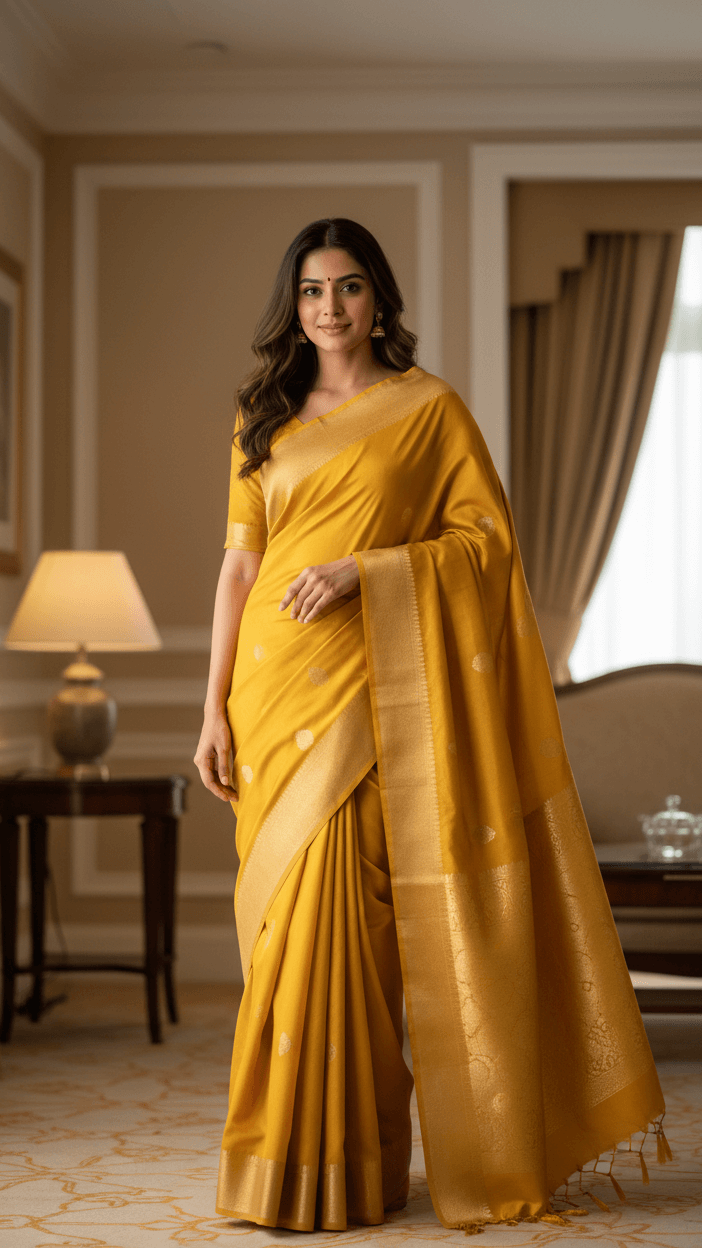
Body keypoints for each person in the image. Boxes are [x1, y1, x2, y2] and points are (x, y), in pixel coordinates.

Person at [195, 218, 669, 1234]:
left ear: (379, 299)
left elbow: (485, 545)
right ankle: (277, 1166)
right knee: (282, 934)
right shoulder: (260, 414)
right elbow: (239, 568)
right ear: (294, 305)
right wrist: (211, 707)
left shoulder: (428, 409)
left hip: (372, 694)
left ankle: (351, 1170)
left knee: (356, 931)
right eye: (312, 291)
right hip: (271, 698)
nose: (329, 309)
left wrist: (364, 572)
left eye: (348, 288)